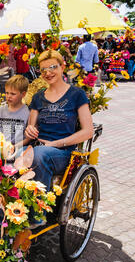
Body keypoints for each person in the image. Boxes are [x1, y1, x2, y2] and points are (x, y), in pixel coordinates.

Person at [25, 49, 94, 194]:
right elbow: (32, 126)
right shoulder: (38, 97)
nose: (47, 73)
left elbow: (88, 131)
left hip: (63, 152)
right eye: (43, 69)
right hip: (37, 146)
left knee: (39, 154)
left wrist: (55, 144)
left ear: (62, 67)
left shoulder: (77, 94)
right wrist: (30, 129)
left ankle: (38, 213)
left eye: (52, 67)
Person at [0, 75, 31, 152]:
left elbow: (28, 138)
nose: (8, 96)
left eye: (13, 94)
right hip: (2, 145)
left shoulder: (27, 112)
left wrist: (14, 147)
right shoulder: (1, 110)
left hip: (18, 147)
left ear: (23, 94)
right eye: (7, 93)